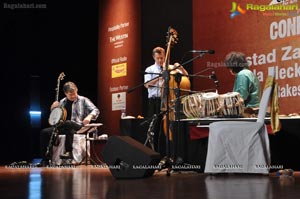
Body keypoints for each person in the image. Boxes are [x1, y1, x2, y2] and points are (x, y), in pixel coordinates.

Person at [40, 81, 99, 164]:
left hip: (78, 125)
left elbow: (95, 110)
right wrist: (52, 109)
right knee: (44, 132)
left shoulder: (83, 100)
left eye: (74, 93)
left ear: (77, 90)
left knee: (68, 123)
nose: (73, 96)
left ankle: (68, 152)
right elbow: (56, 117)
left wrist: (89, 116)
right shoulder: (62, 102)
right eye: (70, 94)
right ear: (65, 93)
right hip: (64, 126)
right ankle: (45, 159)